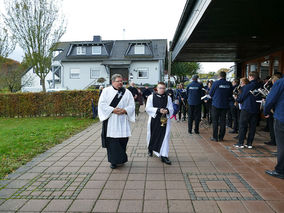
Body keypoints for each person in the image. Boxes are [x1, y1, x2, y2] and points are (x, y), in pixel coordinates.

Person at [98, 74, 135, 169]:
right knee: (112, 142)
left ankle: (121, 159)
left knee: (123, 140)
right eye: (118, 81)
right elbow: (102, 104)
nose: (120, 83)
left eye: (121, 81)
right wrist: (113, 110)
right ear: (112, 82)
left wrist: (125, 110)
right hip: (111, 121)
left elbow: (132, 105)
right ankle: (113, 161)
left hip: (123, 120)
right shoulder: (106, 91)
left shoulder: (127, 92)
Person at [146, 82, 174, 165]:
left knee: (165, 136)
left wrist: (167, 110)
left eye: (163, 88)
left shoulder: (168, 97)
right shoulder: (151, 97)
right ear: (157, 88)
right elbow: (148, 108)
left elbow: (171, 107)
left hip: (164, 119)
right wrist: (158, 110)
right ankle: (150, 148)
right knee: (152, 134)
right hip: (154, 119)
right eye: (160, 88)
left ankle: (164, 155)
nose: (162, 90)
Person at [264, 77, 284, 179]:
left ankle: (280, 170)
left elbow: (270, 99)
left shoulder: (280, 82)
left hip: (282, 117)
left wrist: (266, 111)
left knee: (282, 145)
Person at [233, 72, 260, 149]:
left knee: (242, 126)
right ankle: (249, 144)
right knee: (252, 127)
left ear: (251, 77)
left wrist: (236, 99)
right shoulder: (260, 85)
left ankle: (240, 143)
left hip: (247, 108)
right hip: (256, 109)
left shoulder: (248, 86)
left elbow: (241, 98)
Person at [209, 71, 233, 142]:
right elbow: (230, 94)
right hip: (225, 105)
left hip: (216, 104)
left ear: (219, 76)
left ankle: (215, 137)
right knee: (223, 121)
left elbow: (210, 94)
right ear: (225, 76)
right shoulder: (229, 84)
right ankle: (221, 137)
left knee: (215, 121)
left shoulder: (216, 83)